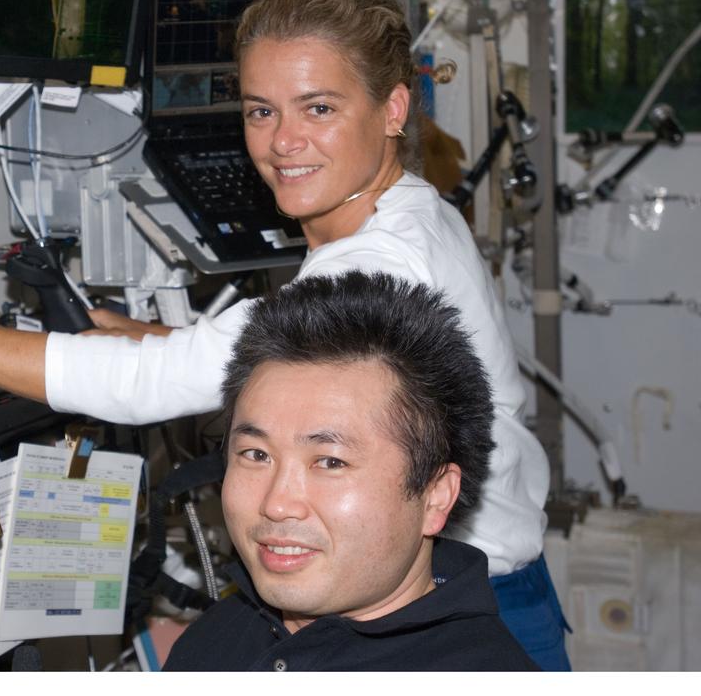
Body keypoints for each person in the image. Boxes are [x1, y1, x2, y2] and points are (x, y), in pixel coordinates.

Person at [0, 0, 568, 669]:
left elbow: (150, 388)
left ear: (393, 107)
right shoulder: (412, 210)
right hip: (485, 576)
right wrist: (167, 341)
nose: (284, 142)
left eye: (318, 108)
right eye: (262, 111)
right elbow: (303, 356)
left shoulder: (378, 260)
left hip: (448, 616)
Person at [163, 271, 536, 671]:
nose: (276, 504)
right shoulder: (215, 637)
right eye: (256, 455)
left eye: (330, 462)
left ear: (435, 495)